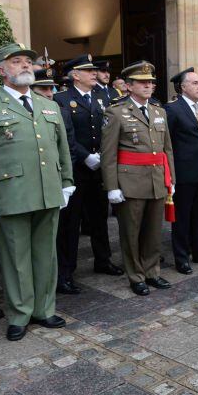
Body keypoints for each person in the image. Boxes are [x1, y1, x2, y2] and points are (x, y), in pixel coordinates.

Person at [0, 42, 75, 341]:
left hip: (48, 191)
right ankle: (19, 314)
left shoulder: (48, 105)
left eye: (28, 62)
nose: (25, 66)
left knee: (46, 255)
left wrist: (67, 181)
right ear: (1, 70)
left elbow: (61, 149)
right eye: (16, 62)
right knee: (16, 258)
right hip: (11, 195)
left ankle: (44, 309)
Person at [101, 61, 175, 296]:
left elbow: (167, 149)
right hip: (130, 182)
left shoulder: (158, 111)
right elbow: (108, 153)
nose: (148, 86)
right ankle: (136, 275)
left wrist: (170, 177)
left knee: (154, 231)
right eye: (142, 82)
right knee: (131, 232)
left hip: (156, 179)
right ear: (129, 86)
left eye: (151, 82)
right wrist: (112, 186)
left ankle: (153, 271)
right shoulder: (116, 112)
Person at [54, 54, 124, 295]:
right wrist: (86, 156)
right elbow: (64, 136)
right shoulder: (61, 98)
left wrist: (104, 156)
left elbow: (108, 132)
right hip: (76, 169)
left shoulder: (102, 97)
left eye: (95, 70)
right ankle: (66, 272)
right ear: (75, 75)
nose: (94, 74)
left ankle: (102, 260)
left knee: (99, 218)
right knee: (70, 224)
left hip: (99, 168)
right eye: (88, 71)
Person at [165, 68, 198, 274]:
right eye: (195, 83)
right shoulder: (173, 109)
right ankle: (181, 257)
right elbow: (167, 144)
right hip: (185, 174)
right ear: (183, 87)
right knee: (182, 218)